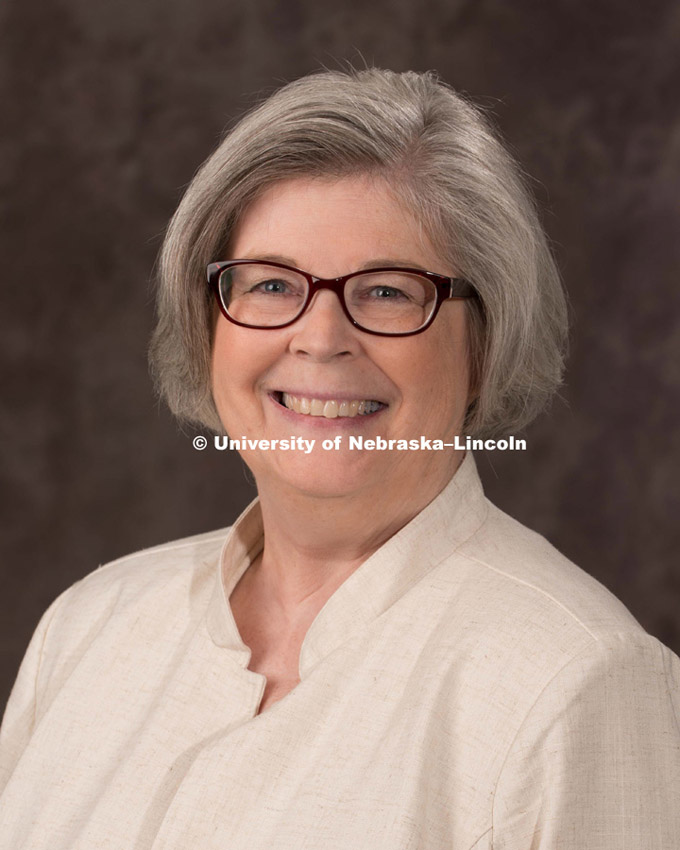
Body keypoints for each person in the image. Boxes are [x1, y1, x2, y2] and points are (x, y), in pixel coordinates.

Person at [0, 68, 678, 849]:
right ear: (208, 319)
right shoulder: (91, 627)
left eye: (387, 291)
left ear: (485, 342)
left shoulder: (579, 683)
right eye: (271, 283)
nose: (319, 338)